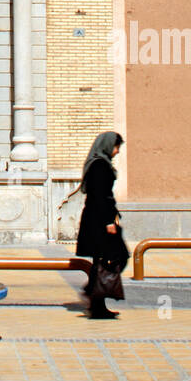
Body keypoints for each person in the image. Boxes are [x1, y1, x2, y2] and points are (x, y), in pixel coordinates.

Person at [75, 130, 126, 319]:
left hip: (97, 219)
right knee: (115, 256)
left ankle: (97, 302)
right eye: (116, 146)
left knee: (102, 261)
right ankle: (94, 295)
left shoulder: (99, 164)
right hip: (99, 221)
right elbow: (100, 196)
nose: (117, 151)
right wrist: (107, 222)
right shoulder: (100, 166)